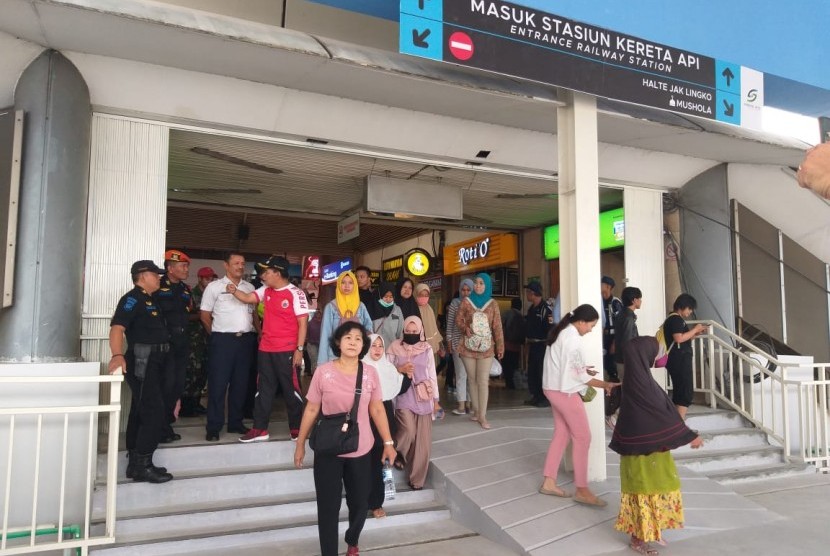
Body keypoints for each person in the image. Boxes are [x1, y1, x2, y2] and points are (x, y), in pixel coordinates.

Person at [293, 322, 398, 556]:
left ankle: (352, 539)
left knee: (360, 503)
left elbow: (377, 409)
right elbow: (311, 409)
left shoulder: (370, 372)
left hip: (361, 449)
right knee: (328, 508)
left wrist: (388, 443)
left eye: (358, 339)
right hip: (329, 450)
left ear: (363, 345)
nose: (353, 342)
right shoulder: (323, 372)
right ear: (338, 342)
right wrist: (300, 444)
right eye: (347, 337)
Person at [610, 336, 704, 554]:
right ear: (644, 356)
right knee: (647, 493)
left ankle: (646, 532)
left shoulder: (633, 381)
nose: (658, 357)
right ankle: (640, 540)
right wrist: (690, 436)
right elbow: (665, 416)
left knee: (642, 493)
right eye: (654, 353)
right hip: (647, 454)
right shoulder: (645, 385)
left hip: (637, 451)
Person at [539, 304, 620, 507]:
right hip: (565, 392)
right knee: (583, 437)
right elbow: (578, 375)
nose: (590, 329)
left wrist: (583, 371)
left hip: (552, 388)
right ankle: (582, 489)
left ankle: (549, 481)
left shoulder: (562, 332)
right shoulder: (572, 338)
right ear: (581, 322)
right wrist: (605, 384)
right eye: (591, 325)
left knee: (562, 434)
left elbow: (567, 366)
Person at [227, 256, 309, 442]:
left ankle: (296, 428)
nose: (263, 276)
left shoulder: (296, 293)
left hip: (287, 350)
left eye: (266, 272)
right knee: (263, 390)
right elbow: (248, 298)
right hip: (265, 349)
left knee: (291, 390)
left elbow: (303, 323)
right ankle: (260, 429)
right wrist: (234, 290)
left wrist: (299, 349)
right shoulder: (266, 290)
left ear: (277, 273)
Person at [108, 260, 173, 483]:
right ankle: (143, 464)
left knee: (140, 410)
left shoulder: (149, 299)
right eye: (156, 274)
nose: (159, 278)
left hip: (154, 361)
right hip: (142, 361)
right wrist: (117, 355)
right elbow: (117, 328)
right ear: (143, 276)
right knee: (153, 412)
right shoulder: (132, 299)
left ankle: (136, 464)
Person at [200, 252, 256, 442]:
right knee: (218, 384)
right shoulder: (214, 287)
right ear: (226, 265)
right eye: (236, 263)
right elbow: (205, 315)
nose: (240, 266)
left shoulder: (249, 287)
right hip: (222, 341)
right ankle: (214, 426)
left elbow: (253, 314)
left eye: (243, 263)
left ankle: (235, 422)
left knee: (241, 384)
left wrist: (259, 331)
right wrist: (215, 335)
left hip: (245, 340)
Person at [387, 316, 442, 489]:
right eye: (408, 331)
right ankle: (399, 455)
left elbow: (432, 374)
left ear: (420, 331)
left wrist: (436, 401)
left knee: (423, 443)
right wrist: (399, 369)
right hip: (403, 394)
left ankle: (416, 480)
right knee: (408, 430)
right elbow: (386, 371)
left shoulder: (426, 348)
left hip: (424, 395)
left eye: (414, 332)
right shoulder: (394, 347)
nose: (411, 334)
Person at [153, 249, 193, 443]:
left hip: (182, 344)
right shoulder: (157, 287)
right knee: (165, 385)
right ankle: (159, 426)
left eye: (187, 266)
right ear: (170, 268)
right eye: (182, 266)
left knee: (177, 385)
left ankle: (166, 423)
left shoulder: (185, 289)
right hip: (165, 344)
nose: (186, 269)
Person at [363, 334, 404, 519]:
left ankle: (376, 503)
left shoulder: (387, 368)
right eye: (373, 346)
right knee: (361, 463)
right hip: (364, 419)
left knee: (378, 462)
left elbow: (399, 384)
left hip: (382, 420)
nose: (378, 349)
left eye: (380, 345)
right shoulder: (360, 368)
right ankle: (360, 501)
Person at [456, 272, 504, 430]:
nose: (478, 286)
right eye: (476, 283)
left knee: (483, 381)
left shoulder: (493, 304)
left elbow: (497, 326)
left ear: (487, 285)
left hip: (486, 348)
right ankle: (476, 411)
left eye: (481, 283)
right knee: (472, 379)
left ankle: (482, 416)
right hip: (468, 346)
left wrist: (500, 346)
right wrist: (465, 328)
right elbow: (458, 319)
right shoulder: (466, 302)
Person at [663, 294, 708, 420]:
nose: (690, 311)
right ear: (682, 306)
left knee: (680, 390)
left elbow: (682, 339)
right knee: (685, 392)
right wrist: (694, 329)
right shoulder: (676, 319)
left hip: (677, 359)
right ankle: (680, 427)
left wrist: (695, 333)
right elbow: (678, 338)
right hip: (679, 361)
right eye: (689, 308)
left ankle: (677, 425)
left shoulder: (674, 319)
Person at [180, 266, 216, 417]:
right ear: (200, 279)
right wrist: (202, 315)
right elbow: (184, 316)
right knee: (192, 372)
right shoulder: (191, 294)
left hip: (208, 338)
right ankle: (186, 406)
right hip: (194, 339)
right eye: (207, 278)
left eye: (212, 278)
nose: (210, 281)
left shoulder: (214, 294)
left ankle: (196, 403)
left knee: (203, 373)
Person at [318, 271, 374, 367]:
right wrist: (322, 363)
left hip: (357, 357)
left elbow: (369, 330)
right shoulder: (331, 307)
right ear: (339, 284)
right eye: (343, 282)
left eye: (350, 283)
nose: (347, 286)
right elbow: (325, 335)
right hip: (335, 357)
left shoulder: (360, 306)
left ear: (355, 285)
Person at [524, 281, 554, 407]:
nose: (526, 295)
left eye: (528, 292)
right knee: (532, 371)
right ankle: (536, 395)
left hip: (542, 345)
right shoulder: (531, 309)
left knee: (541, 371)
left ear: (533, 293)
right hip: (532, 345)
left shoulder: (545, 309)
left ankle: (544, 397)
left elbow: (550, 329)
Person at [447, 279, 473, 415]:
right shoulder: (455, 303)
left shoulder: (475, 304)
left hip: (473, 346)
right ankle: (462, 405)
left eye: (469, 290)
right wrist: (449, 342)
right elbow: (450, 324)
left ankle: (469, 403)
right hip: (458, 344)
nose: (466, 293)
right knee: (461, 375)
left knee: (471, 375)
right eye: (463, 290)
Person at [613, 286, 642, 381]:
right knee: (631, 388)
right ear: (634, 300)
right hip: (628, 360)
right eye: (639, 299)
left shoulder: (621, 314)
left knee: (625, 387)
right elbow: (628, 341)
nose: (641, 301)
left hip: (621, 358)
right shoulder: (628, 318)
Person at [601, 276, 624, 383]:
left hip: (612, 338)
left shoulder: (615, 303)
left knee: (612, 366)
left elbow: (620, 325)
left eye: (601, 284)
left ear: (608, 287)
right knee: (605, 364)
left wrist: (615, 343)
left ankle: (616, 393)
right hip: (602, 338)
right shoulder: (599, 300)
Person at [501, 297, 526, 390]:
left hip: (507, 344)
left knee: (506, 365)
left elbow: (500, 325)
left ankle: (509, 384)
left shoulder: (507, 313)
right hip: (517, 346)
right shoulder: (521, 317)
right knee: (514, 365)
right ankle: (514, 384)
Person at [414, 283, 443, 358]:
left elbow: (434, 328)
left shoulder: (429, 309)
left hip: (429, 346)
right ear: (416, 294)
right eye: (421, 295)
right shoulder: (412, 309)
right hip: (415, 347)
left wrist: (439, 344)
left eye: (426, 295)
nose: (424, 297)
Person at [371, 282, 404, 350]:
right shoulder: (372, 309)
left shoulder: (397, 310)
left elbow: (401, 331)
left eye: (391, 297)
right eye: (385, 296)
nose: (388, 299)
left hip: (393, 349)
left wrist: (399, 347)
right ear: (380, 295)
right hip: (375, 349)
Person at [305, 308, 323, 376]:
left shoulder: (324, 323)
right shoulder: (310, 323)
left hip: (321, 345)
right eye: (317, 313)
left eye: (320, 314)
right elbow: (306, 333)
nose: (318, 315)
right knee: (314, 361)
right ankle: (315, 376)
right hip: (311, 344)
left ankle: (320, 376)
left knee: (321, 361)